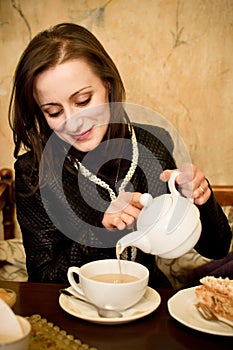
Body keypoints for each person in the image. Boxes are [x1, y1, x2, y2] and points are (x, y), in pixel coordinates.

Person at [8, 23, 232, 286]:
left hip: (149, 301)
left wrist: (200, 198)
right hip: (77, 312)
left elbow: (215, 249)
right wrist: (100, 231)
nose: (73, 122)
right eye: (53, 112)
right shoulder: (34, 170)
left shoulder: (152, 146)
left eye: (82, 101)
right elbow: (42, 278)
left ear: (107, 84)